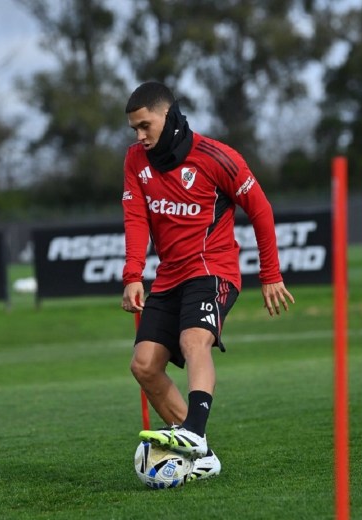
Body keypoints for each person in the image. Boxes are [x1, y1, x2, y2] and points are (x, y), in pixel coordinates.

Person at [120, 81, 295, 482]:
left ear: (168, 115)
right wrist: (133, 275)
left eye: (145, 125)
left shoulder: (217, 157)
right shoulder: (135, 160)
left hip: (213, 269)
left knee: (193, 340)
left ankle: (193, 432)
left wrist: (270, 274)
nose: (139, 136)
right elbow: (135, 218)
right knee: (144, 366)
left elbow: (261, 210)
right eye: (134, 129)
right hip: (168, 277)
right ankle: (203, 455)